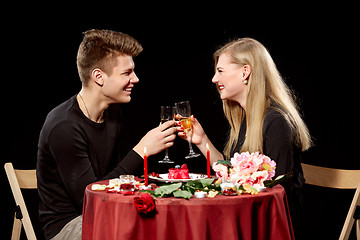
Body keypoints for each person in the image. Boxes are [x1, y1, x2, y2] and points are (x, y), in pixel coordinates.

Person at [37, 29, 177, 240]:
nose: (136, 79)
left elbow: (115, 181)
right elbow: (92, 200)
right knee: (140, 226)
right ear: (99, 77)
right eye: (127, 73)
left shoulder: (113, 114)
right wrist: (141, 151)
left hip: (107, 212)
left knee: (161, 214)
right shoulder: (64, 126)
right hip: (69, 227)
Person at [177, 37, 311, 238]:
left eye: (220, 71)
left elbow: (277, 195)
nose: (214, 79)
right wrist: (202, 140)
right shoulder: (247, 117)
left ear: (245, 72)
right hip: (249, 217)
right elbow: (230, 173)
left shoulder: (276, 121)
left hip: (273, 227)